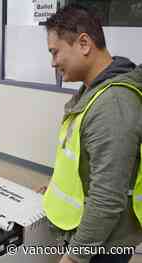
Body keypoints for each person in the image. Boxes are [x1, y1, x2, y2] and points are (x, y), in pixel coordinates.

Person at [41, 4, 142, 263]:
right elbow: (80, 158)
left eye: (55, 52)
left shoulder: (113, 103)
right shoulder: (93, 91)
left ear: (84, 43)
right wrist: (55, 187)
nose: (53, 62)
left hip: (104, 246)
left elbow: (107, 198)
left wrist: (74, 257)